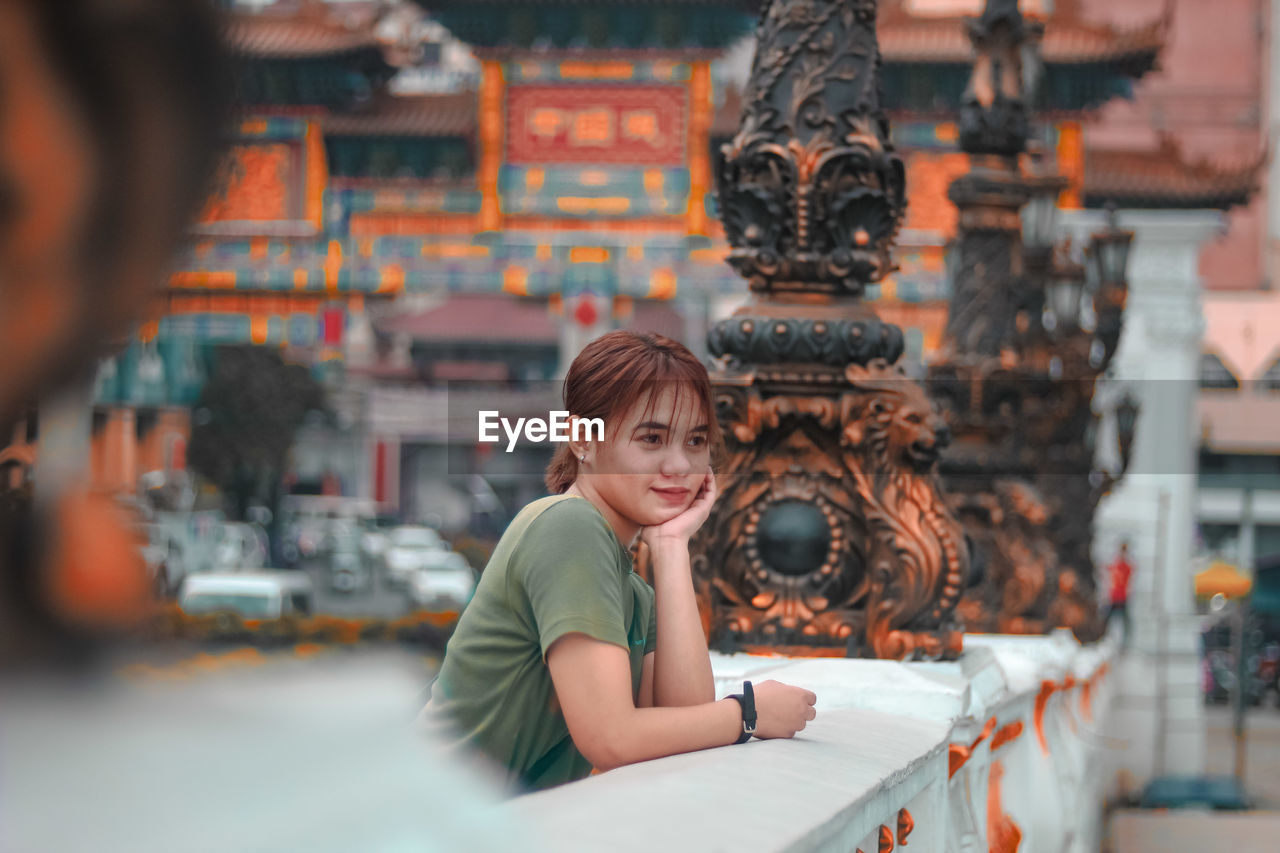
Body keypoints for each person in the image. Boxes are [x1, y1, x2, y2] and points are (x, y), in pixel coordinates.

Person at [419, 330, 818, 792]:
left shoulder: (631, 585)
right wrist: (749, 713)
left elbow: (682, 724)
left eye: (695, 441)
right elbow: (609, 738)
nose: (679, 466)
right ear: (582, 440)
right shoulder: (569, 528)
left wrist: (670, 548)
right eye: (652, 438)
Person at [1104, 541, 1134, 646]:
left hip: (1122, 597)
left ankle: (1124, 643)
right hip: (1114, 597)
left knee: (1125, 622)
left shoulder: (1125, 566)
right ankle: (1106, 639)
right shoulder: (1116, 565)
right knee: (1107, 620)